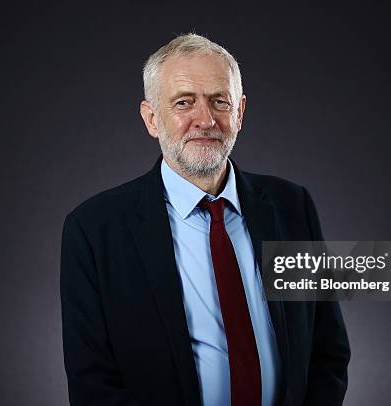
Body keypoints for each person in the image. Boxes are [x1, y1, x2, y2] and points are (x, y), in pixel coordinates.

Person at [60, 33, 350, 406]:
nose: (206, 119)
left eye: (220, 101)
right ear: (152, 119)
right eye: (184, 102)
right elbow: (92, 384)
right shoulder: (93, 230)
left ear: (240, 113)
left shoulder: (292, 207)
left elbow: (328, 352)